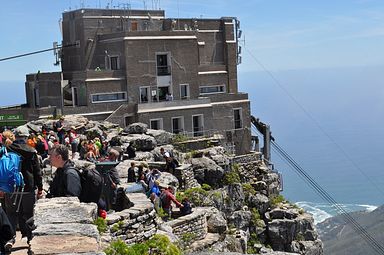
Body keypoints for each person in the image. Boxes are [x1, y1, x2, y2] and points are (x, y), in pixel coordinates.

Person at [2, 129, 43, 246]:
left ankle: (10, 238)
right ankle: (29, 238)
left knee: (11, 213)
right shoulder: (31, 151)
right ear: (26, 137)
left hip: (11, 187)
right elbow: (37, 172)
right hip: (27, 187)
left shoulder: (6, 149)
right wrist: (40, 188)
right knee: (29, 213)